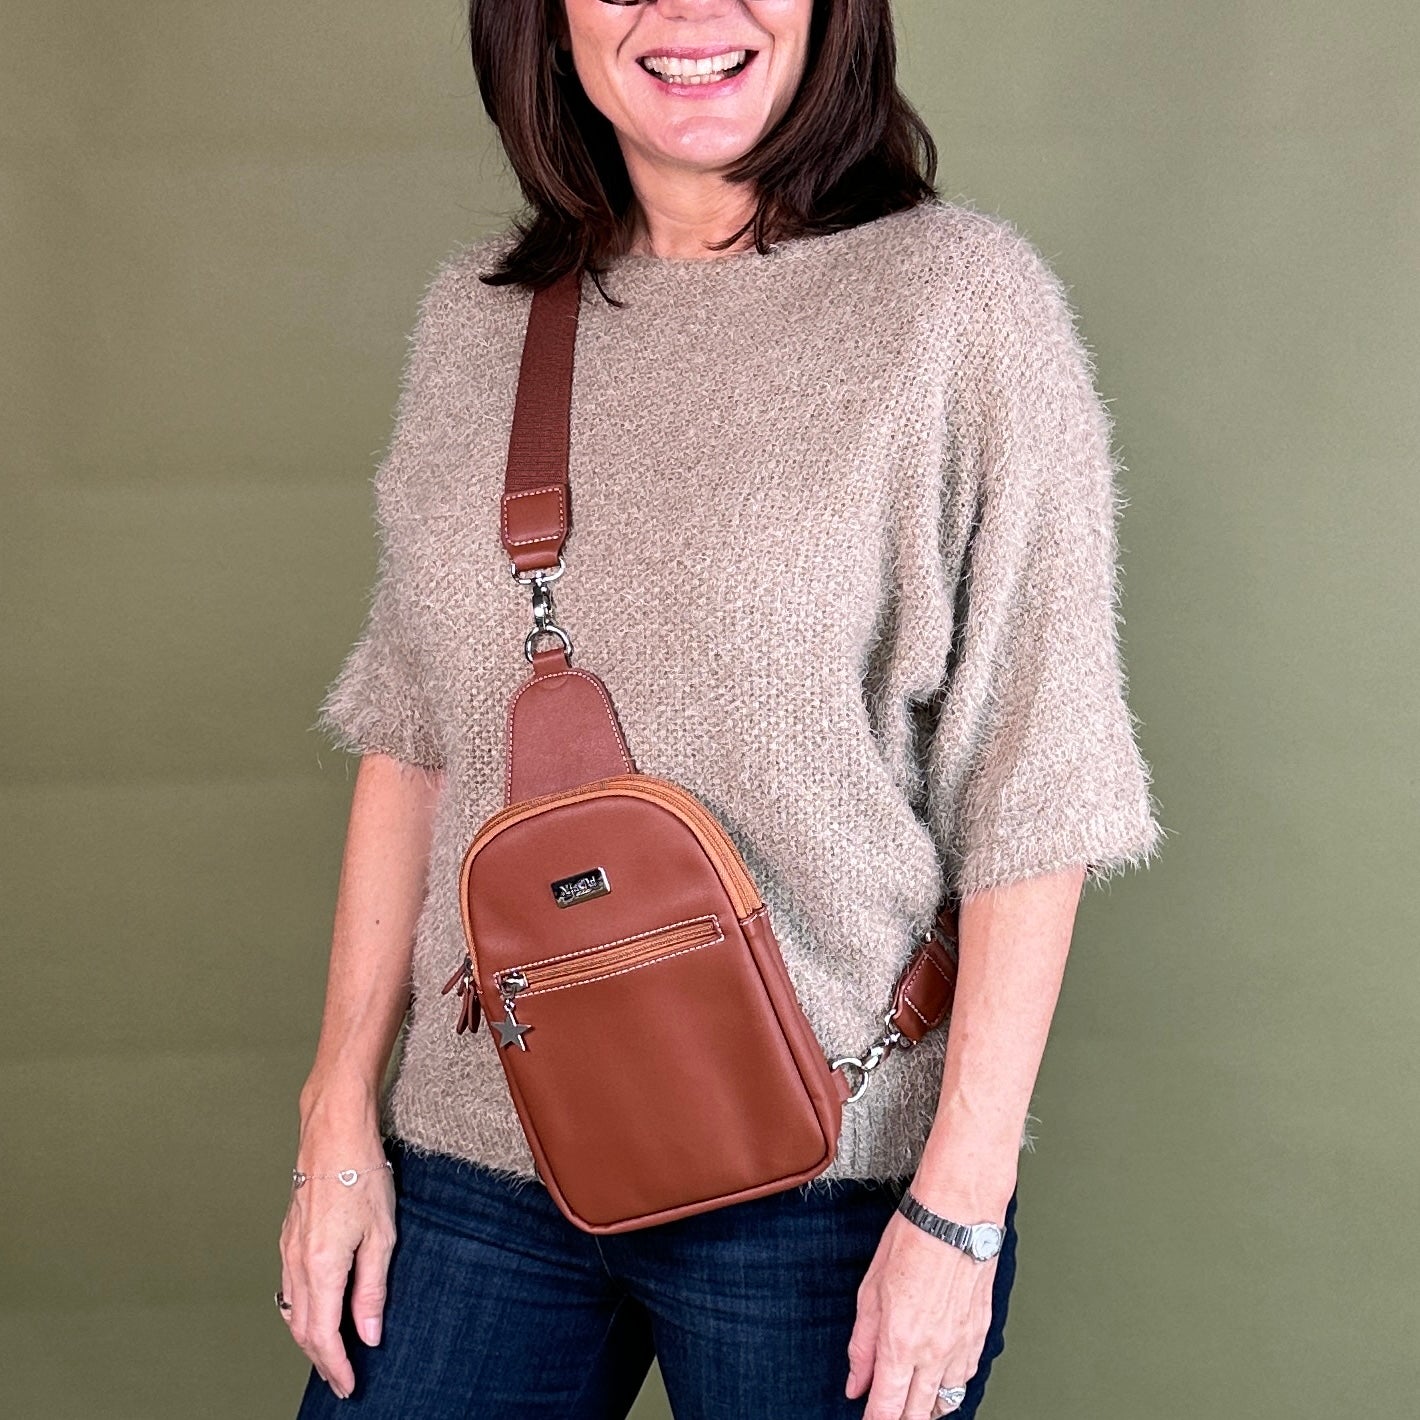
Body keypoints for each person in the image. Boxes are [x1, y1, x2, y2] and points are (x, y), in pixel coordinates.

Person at [277, 2, 1164, 1417]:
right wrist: (336, 1117)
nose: (691, 11)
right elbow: (417, 737)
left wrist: (960, 1209)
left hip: (822, 1178)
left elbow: (1033, 782)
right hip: (480, 1157)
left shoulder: (959, 303)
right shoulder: (482, 317)